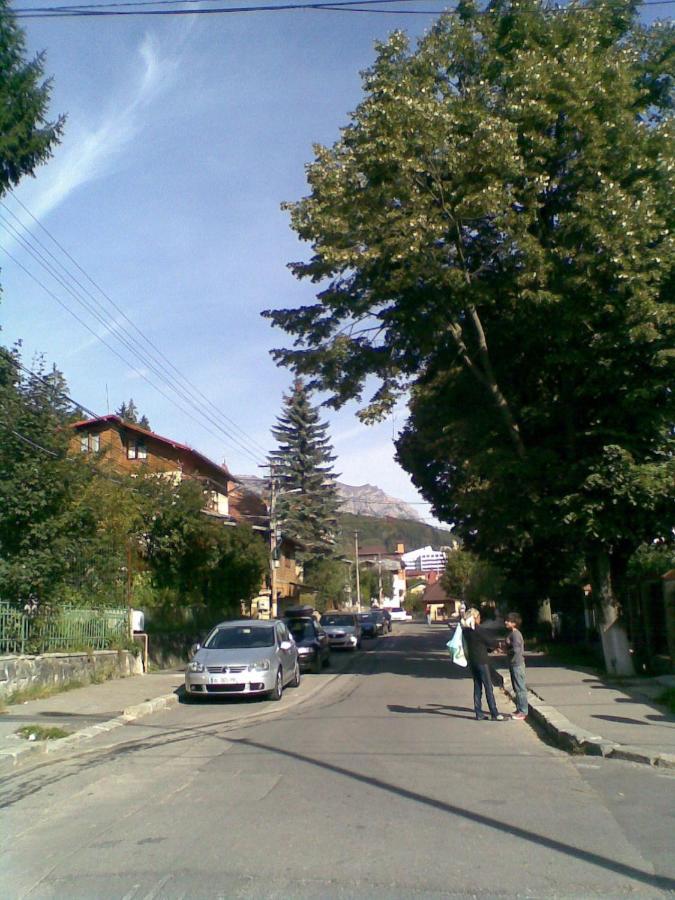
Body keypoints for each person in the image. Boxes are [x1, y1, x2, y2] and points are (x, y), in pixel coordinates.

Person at [461, 608, 505, 721]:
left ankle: (478, 712)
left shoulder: (465, 631)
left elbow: (478, 644)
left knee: (477, 686)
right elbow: (490, 641)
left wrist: (490, 649)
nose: (480, 619)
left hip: (472, 661)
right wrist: (497, 646)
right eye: (479, 617)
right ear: (475, 618)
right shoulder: (478, 630)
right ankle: (494, 713)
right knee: (488, 687)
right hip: (482, 661)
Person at [505, 611, 528, 720]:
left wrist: (507, 651)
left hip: (517, 663)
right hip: (513, 663)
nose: (506, 622)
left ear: (514, 623)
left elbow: (516, 650)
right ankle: (519, 708)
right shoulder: (511, 633)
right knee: (516, 687)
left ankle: (523, 711)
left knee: (520, 688)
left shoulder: (516, 634)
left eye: (508, 621)